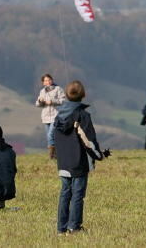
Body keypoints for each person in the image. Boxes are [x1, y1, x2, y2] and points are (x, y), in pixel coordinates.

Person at [54, 80, 110, 235]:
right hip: (78, 161)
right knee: (77, 195)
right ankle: (74, 227)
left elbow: (55, 138)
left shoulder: (58, 116)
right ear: (83, 95)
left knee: (65, 193)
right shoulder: (82, 115)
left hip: (63, 162)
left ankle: (61, 228)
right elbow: (88, 140)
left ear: (66, 94)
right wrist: (99, 155)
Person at [35, 74, 65, 159]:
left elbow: (63, 100)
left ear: (52, 80)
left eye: (49, 80)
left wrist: (52, 101)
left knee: (50, 135)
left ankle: (51, 155)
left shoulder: (58, 89)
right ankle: (56, 154)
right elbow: (37, 104)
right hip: (45, 117)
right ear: (43, 83)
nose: (48, 82)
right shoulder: (42, 91)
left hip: (56, 115)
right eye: (45, 81)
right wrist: (41, 101)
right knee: (50, 136)